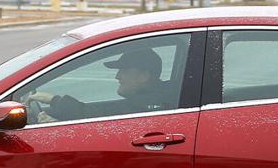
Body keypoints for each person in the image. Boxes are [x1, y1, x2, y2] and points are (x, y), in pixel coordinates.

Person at [28, 48, 173, 122]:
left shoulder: (146, 105)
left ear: (144, 76)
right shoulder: (151, 99)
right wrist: (54, 100)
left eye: (124, 70)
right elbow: (102, 112)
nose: (117, 76)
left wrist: (56, 120)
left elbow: (99, 117)